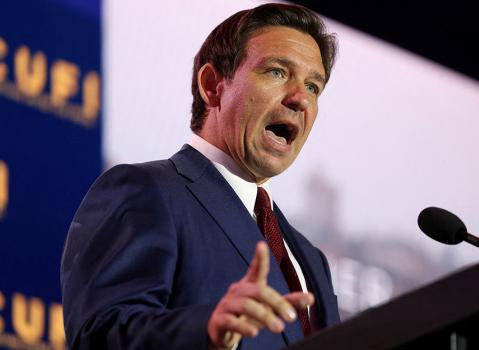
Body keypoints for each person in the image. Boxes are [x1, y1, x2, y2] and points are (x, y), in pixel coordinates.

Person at [60, 3, 339, 349]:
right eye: (277, 72)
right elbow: (99, 336)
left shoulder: (312, 260)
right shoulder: (147, 192)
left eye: (314, 87)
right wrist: (205, 330)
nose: (300, 98)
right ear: (212, 86)